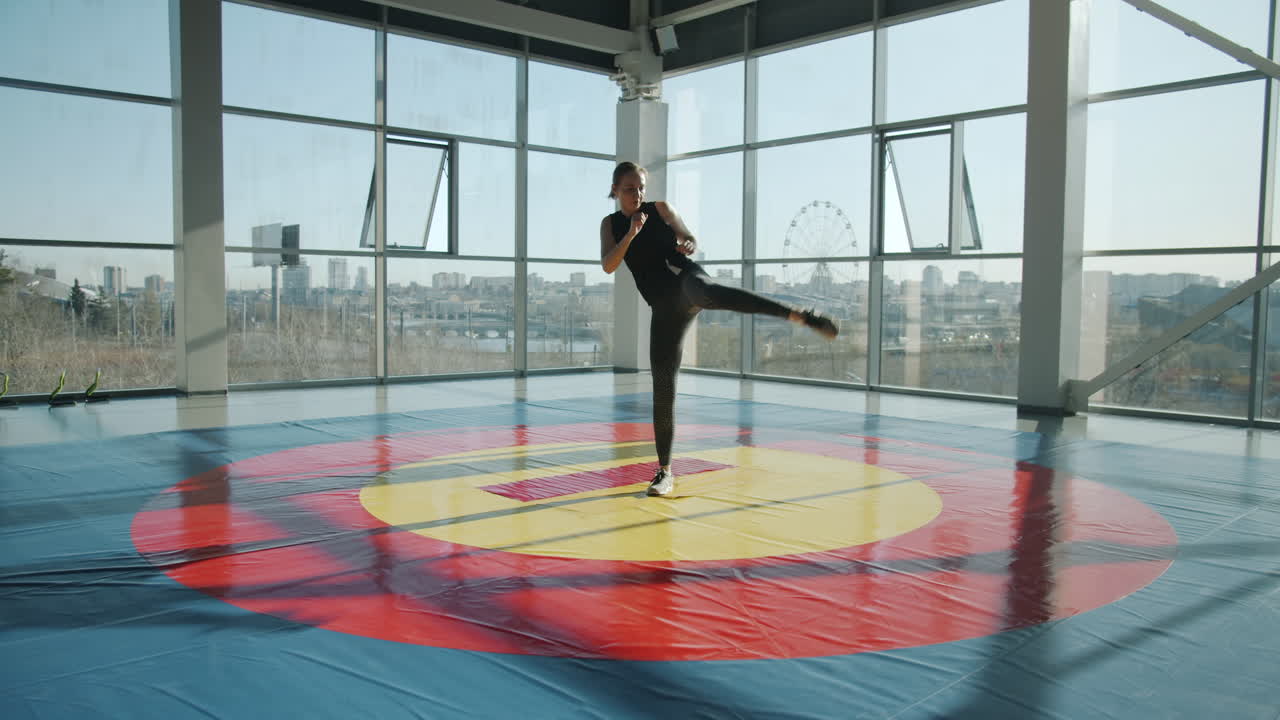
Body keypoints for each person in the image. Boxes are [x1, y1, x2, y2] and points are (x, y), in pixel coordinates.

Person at [600, 161, 838, 497]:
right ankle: (664, 472)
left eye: (641, 187)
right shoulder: (610, 225)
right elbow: (609, 263)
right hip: (665, 307)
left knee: (707, 292)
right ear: (614, 190)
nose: (637, 193)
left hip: (686, 279)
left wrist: (687, 241)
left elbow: (686, 235)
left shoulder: (661, 208)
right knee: (663, 385)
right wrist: (631, 234)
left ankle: (797, 315)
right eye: (629, 188)